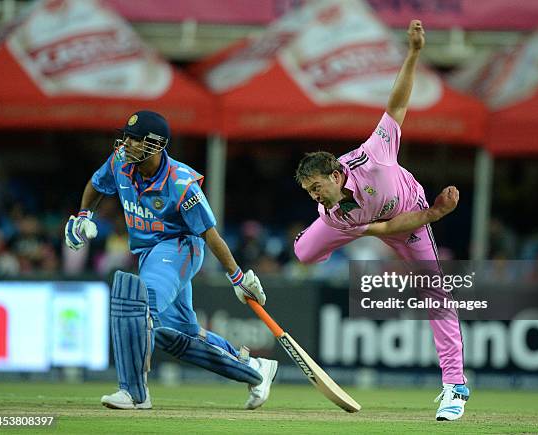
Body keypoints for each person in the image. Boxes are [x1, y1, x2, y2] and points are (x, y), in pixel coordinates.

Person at [293, 20, 469, 421]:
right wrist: (440, 213)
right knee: (303, 253)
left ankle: (455, 387)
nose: (315, 196)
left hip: (410, 215)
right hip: (375, 222)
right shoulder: (333, 212)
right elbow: (380, 231)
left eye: (317, 187)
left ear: (337, 174)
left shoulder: (375, 153)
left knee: (436, 293)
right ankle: (304, 241)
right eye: (309, 193)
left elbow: (398, 105)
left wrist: (413, 53)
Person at [64, 110, 278, 410]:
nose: (125, 144)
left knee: (140, 304)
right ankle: (254, 368)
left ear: (155, 144)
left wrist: (237, 278)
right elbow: (96, 185)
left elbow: (210, 234)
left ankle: (134, 392)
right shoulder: (120, 162)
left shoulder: (181, 183)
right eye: (125, 136)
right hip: (147, 253)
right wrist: (83, 215)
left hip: (178, 247)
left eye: (134, 140)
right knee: (181, 334)